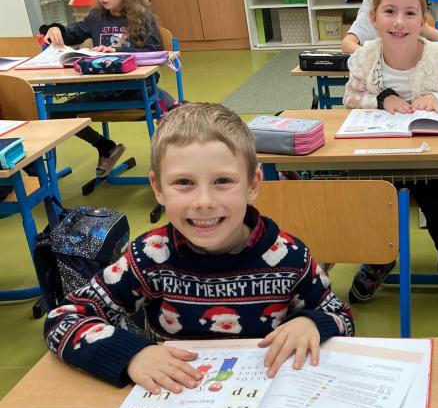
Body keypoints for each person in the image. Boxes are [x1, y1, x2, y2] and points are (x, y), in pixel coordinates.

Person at [44, 103, 354, 392]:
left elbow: (340, 316)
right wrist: (133, 355)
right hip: (176, 401)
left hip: (270, 397)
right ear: (158, 188)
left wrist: (311, 323)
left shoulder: (290, 256)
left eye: (222, 181)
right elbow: (63, 318)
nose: (204, 202)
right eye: (183, 183)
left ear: (253, 184)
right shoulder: (149, 256)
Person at [342, 0, 438, 302]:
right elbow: (351, 98)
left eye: (410, 13)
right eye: (389, 12)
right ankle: (378, 259)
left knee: (436, 195)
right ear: (374, 18)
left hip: (426, 155)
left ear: (423, 20)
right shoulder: (365, 57)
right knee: (372, 198)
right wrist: (382, 98)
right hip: (377, 155)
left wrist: (437, 98)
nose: (399, 22)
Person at [40, 0, 176, 178]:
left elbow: (153, 52)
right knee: (55, 112)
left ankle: (174, 162)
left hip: (137, 90)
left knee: (172, 109)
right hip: (102, 90)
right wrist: (54, 29)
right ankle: (105, 147)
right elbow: (70, 34)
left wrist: (119, 52)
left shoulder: (143, 17)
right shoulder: (96, 18)